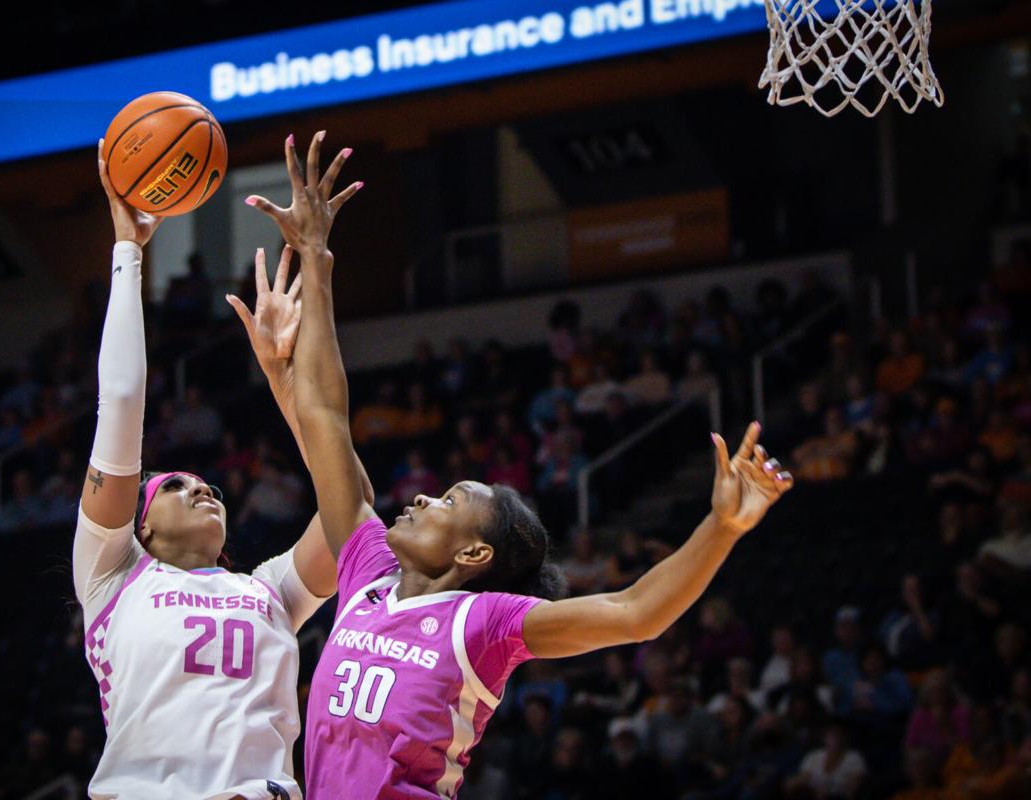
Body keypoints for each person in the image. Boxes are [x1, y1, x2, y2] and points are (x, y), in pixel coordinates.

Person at [247, 131, 794, 798]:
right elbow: (328, 418)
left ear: (475, 555)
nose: (419, 500)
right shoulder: (366, 572)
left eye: (447, 501)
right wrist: (317, 258)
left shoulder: (484, 625)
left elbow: (634, 612)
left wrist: (723, 528)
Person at [71, 139, 365, 800]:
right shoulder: (112, 579)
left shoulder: (269, 592)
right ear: (137, 530)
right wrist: (129, 249)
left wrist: (290, 375)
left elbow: (354, 510)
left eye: (201, 483)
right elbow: (119, 402)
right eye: (172, 486)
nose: (198, 484)